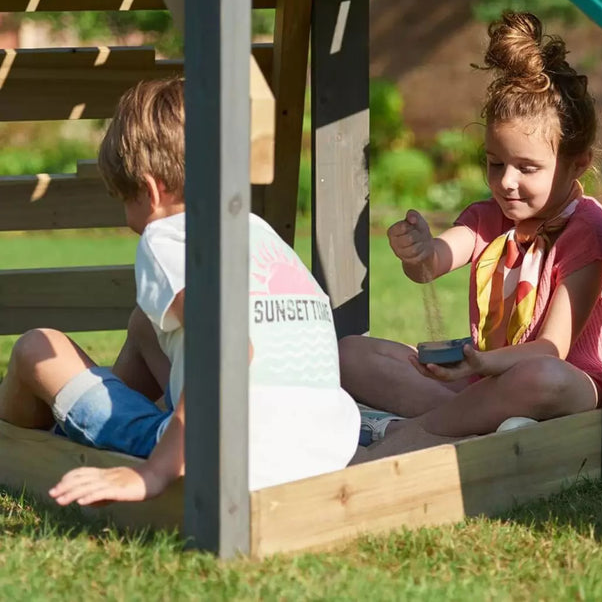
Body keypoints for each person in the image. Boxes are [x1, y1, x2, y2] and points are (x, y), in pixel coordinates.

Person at [0, 77, 360, 505]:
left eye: (124, 198)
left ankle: (21, 442)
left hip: (229, 451)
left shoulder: (168, 238)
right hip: (325, 445)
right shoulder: (258, 233)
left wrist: (153, 473)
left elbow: (226, 347)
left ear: (151, 191)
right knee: (146, 322)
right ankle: (103, 415)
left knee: (36, 348)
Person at [340, 12, 602, 460]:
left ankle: (409, 436)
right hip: (488, 382)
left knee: (538, 377)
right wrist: (419, 249)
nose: (506, 182)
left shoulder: (587, 231)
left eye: (527, 168)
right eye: (495, 163)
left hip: (563, 391)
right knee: (350, 354)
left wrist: (485, 363)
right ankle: (477, 425)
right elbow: (434, 263)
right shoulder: (491, 217)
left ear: (576, 164)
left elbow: (552, 349)